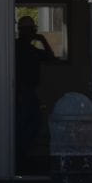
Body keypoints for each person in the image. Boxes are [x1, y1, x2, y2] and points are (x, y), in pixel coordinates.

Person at [14, 15, 56, 170]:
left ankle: (21, 156)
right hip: (23, 92)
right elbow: (50, 57)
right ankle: (20, 158)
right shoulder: (19, 47)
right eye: (30, 29)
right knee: (27, 125)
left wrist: (42, 40)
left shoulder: (29, 48)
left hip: (28, 92)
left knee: (30, 124)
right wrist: (41, 39)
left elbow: (50, 58)